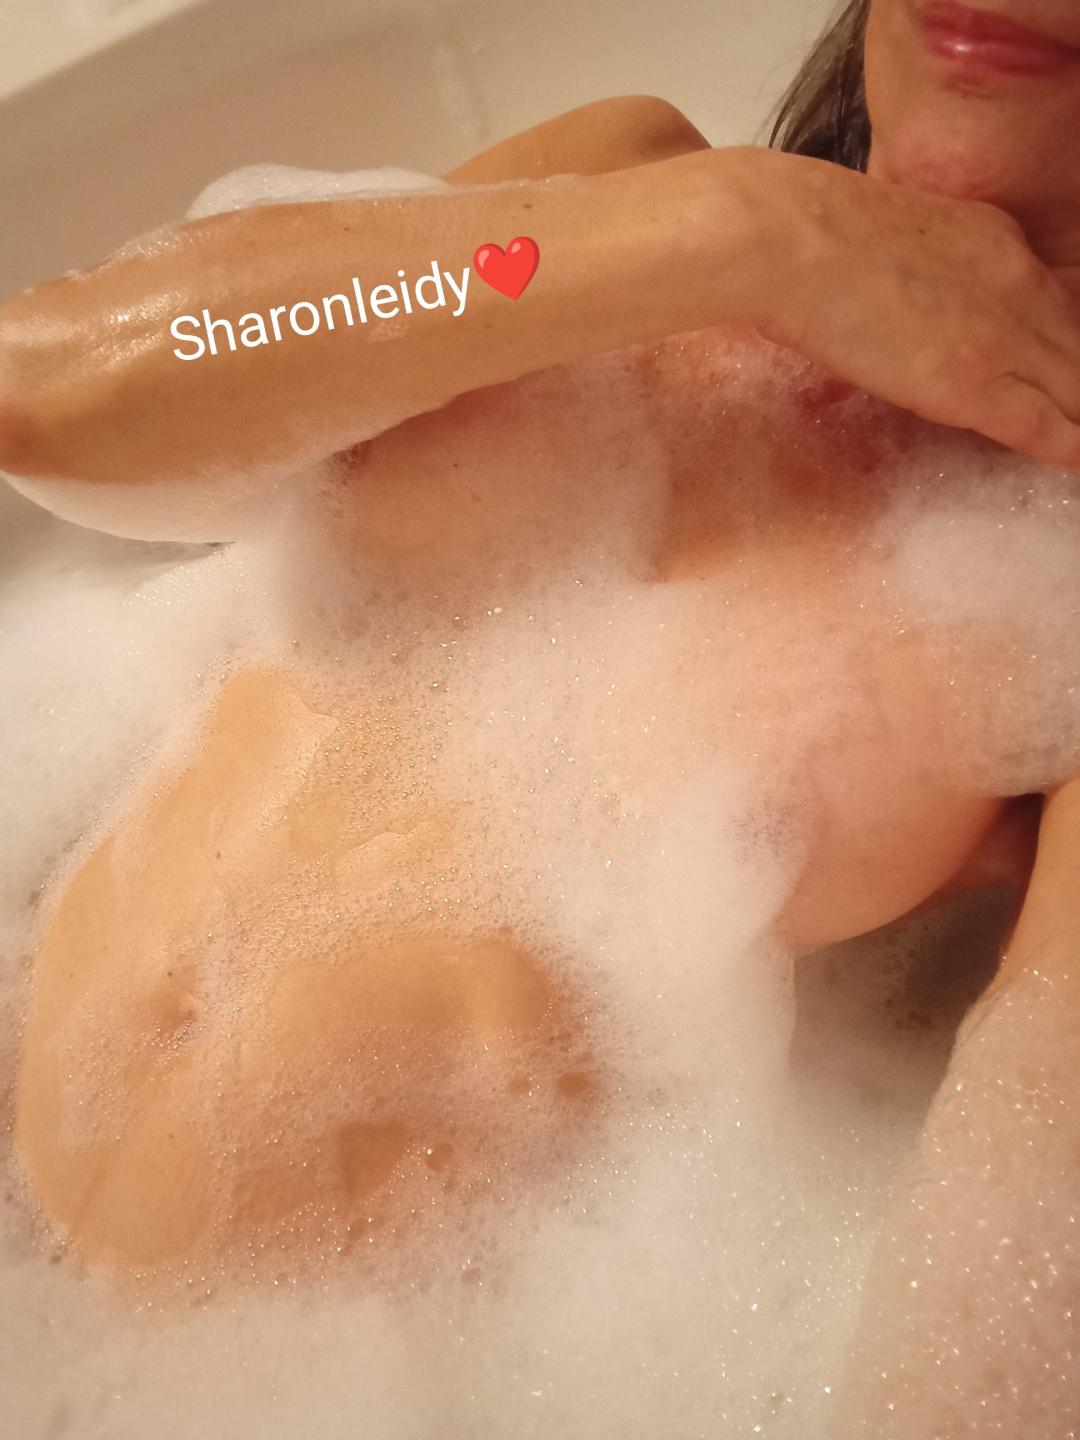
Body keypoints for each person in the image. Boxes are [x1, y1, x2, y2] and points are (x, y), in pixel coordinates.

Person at [2, 0, 1079, 1430]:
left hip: (262, 1379)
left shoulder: (1048, 601)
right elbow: (44, 392)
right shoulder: (630, 190)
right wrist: (749, 236)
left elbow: (1008, 1257)